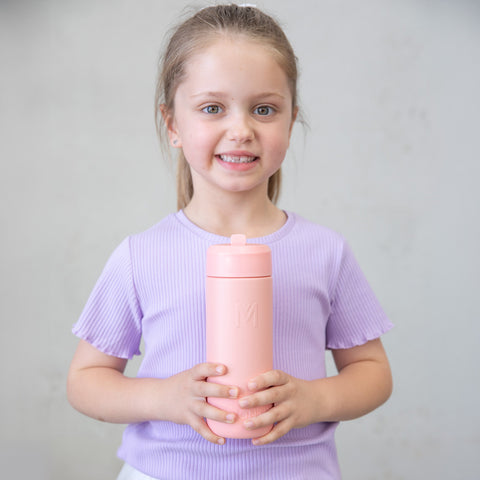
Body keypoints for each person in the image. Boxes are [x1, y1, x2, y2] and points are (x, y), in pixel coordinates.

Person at [67, 4, 393, 479]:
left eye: (264, 109)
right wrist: (163, 397)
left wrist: (315, 398)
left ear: (290, 121)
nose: (241, 130)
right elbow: (85, 381)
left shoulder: (325, 252)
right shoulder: (142, 256)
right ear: (173, 124)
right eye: (212, 108)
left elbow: (372, 371)